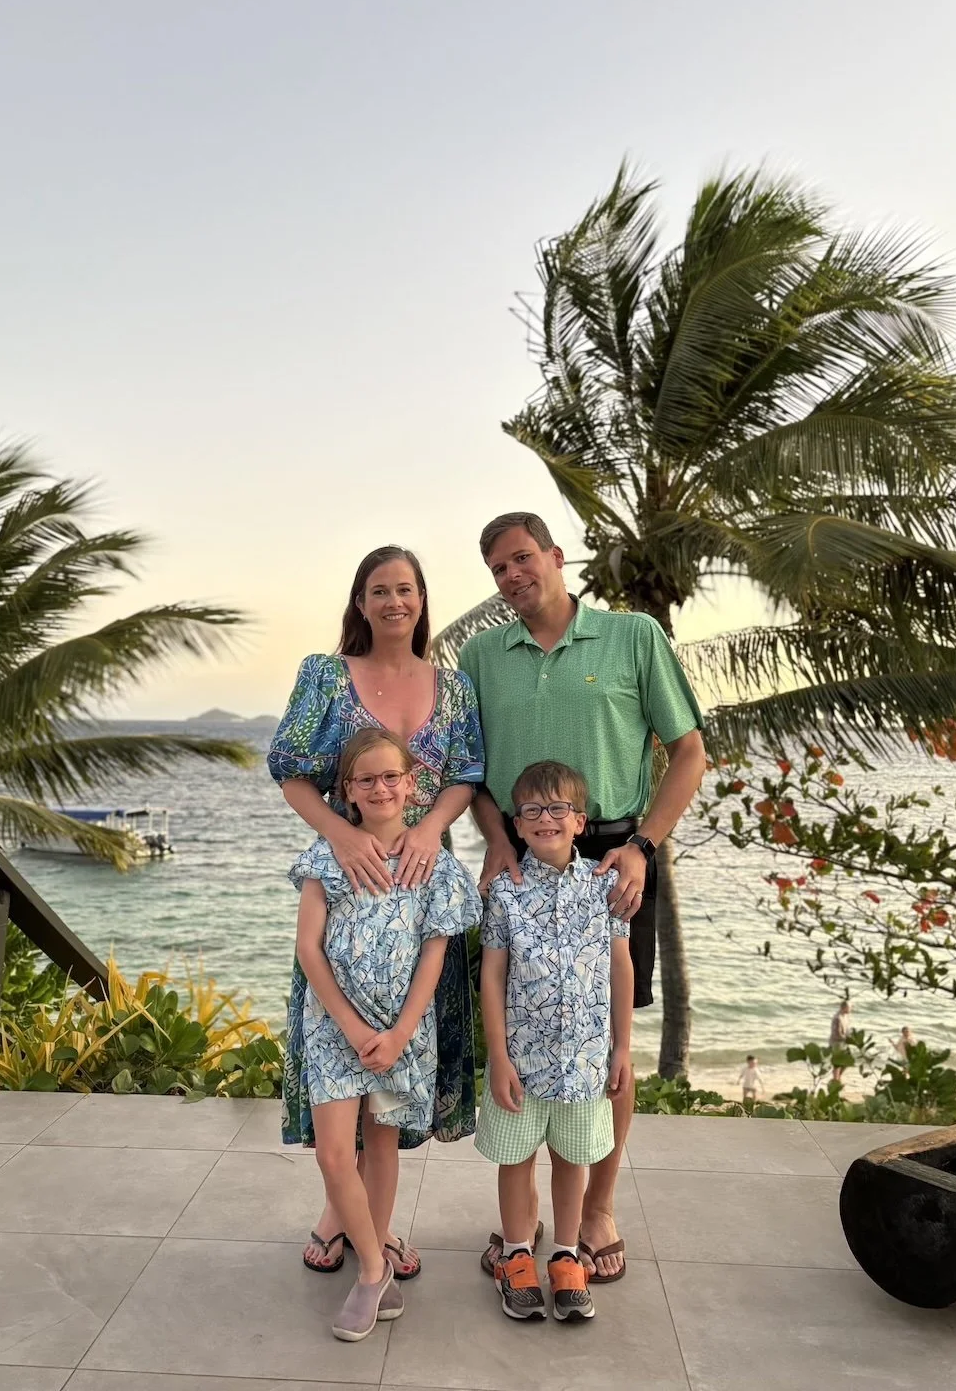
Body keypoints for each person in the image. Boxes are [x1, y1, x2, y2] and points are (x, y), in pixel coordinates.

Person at [458, 512, 706, 1283]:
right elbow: (470, 770)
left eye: (523, 558)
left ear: (556, 557)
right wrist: (498, 841)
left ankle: (596, 1207)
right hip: (518, 854)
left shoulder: (632, 636)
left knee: (607, 1036)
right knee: (522, 1013)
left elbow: (689, 751)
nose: (512, 576)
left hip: (614, 856)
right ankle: (523, 1225)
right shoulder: (479, 654)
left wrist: (641, 847)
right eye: (498, 567)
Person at [268, 545, 484, 1280]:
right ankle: (350, 1221)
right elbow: (290, 771)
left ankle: (369, 1228)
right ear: (360, 602)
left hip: (420, 879)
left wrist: (426, 831)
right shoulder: (324, 676)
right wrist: (343, 835)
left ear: (423, 599)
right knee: (344, 1055)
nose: (395, 601)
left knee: (398, 1064)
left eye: (407, 589)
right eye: (379, 590)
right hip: (350, 879)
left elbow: (467, 775)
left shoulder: (451, 687)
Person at [293, 727, 480, 1340]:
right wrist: (348, 1023)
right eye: (365, 779)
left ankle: (372, 1274)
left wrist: (400, 1032)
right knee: (332, 1152)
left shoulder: (434, 865)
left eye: (390, 777)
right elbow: (309, 950)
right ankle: (374, 1268)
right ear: (347, 791)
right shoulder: (328, 856)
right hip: (333, 1030)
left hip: (403, 1036)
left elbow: (435, 956)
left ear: (412, 785)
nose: (379, 788)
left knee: (381, 1145)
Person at [477, 760, 633, 1322]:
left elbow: (621, 965)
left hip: (585, 1061)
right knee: (516, 1157)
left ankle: (566, 1254)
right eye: (533, 811)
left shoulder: (606, 885)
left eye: (558, 809)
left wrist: (621, 1048)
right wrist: (498, 1056)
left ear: (580, 820)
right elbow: (491, 975)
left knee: (573, 1157)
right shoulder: (505, 893)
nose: (546, 819)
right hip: (522, 1057)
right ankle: (517, 1254)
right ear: (516, 825)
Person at [830, 999, 851, 1082]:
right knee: (837, 1064)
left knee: (848, 1060)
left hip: (843, 1043)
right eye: (849, 1007)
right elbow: (836, 1034)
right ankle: (836, 1080)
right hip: (837, 1043)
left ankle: (838, 1077)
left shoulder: (845, 1016)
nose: (851, 1009)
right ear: (845, 1007)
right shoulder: (837, 1018)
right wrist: (847, 1039)